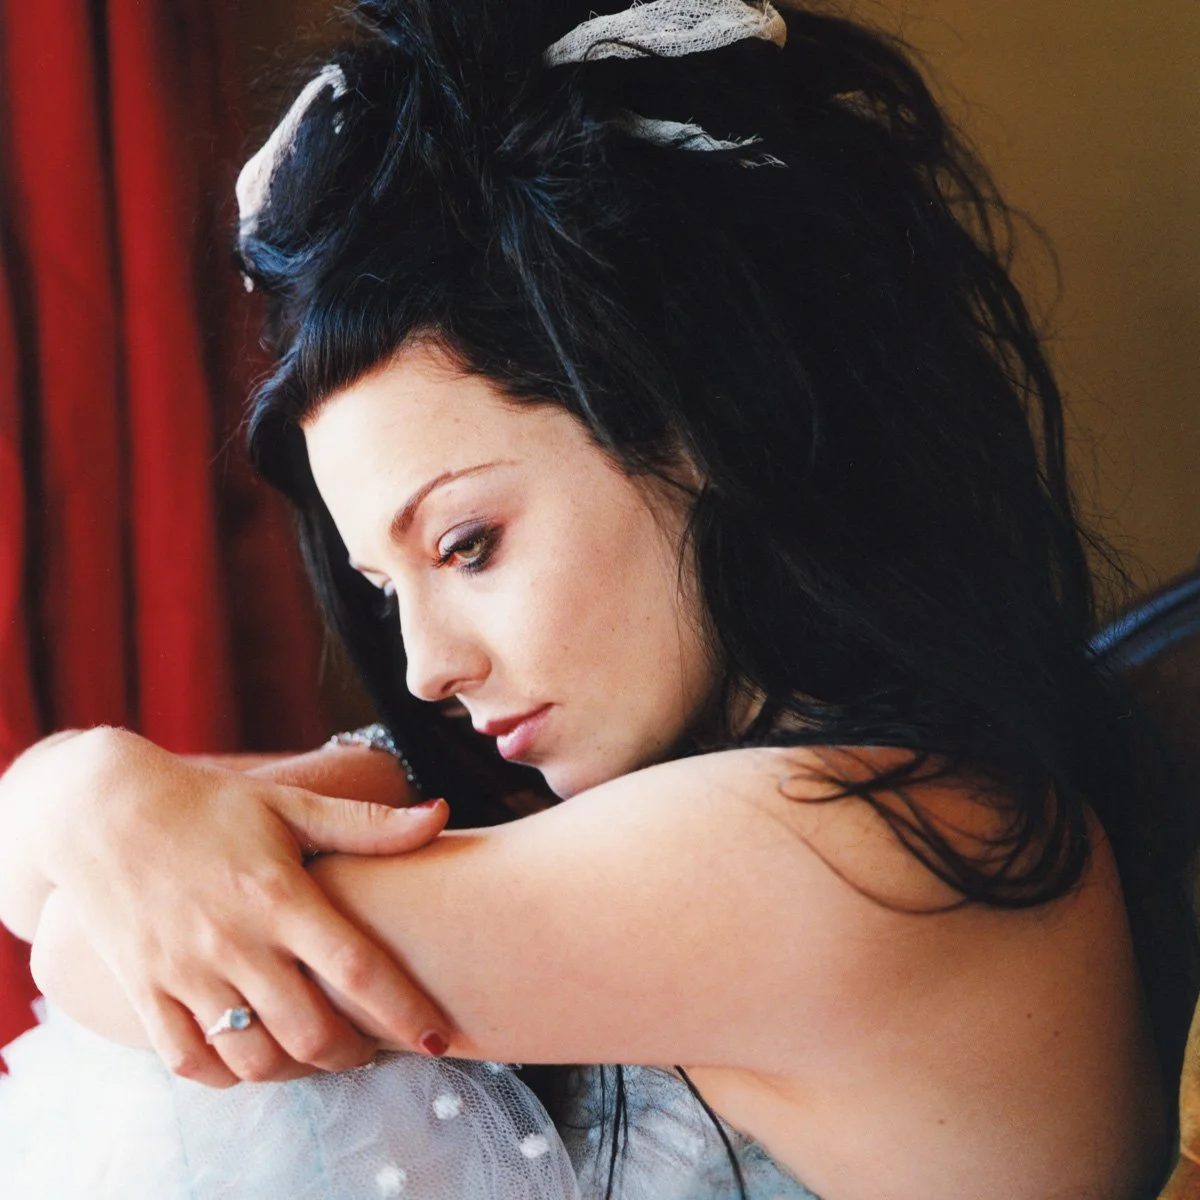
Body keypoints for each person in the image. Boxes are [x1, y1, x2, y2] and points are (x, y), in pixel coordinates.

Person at [0, 0, 1193, 1196]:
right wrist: (99, 789)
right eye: (383, 588)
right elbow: (41, 865)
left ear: (711, 424)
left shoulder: (865, 848)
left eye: (466, 544)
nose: (424, 670)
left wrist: (114, 809)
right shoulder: (708, 786)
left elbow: (91, 945)